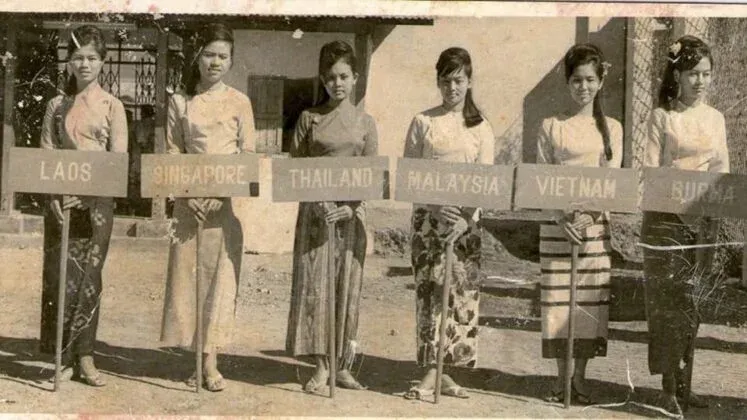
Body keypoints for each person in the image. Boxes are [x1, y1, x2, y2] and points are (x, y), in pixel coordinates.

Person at [160, 23, 255, 392]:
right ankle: (193, 359)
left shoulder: (240, 102)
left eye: (223, 56)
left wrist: (221, 194)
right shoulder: (180, 102)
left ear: (231, 61)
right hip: (189, 206)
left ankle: (210, 361)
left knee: (219, 281)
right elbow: (173, 152)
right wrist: (187, 196)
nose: (215, 62)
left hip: (223, 207)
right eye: (209, 54)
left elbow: (247, 155)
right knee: (189, 282)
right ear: (197, 57)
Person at [285, 40, 378, 393]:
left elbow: (372, 175)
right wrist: (318, 201)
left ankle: (342, 366)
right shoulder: (309, 119)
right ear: (322, 80)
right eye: (330, 77)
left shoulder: (366, 123)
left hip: (350, 219)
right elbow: (295, 170)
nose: (337, 83)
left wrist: (352, 207)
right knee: (315, 289)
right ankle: (321, 366)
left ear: (355, 78)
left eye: (343, 76)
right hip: (316, 216)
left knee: (345, 290)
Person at [641, 35, 727, 416]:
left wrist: (710, 214)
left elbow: (721, 170)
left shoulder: (715, 119)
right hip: (665, 221)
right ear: (677, 75)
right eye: (693, 73)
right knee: (668, 304)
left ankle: (685, 384)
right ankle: (667, 389)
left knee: (694, 303)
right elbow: (651, 170)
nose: (700, 81)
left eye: (706, 73)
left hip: (703, 223)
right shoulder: (662, 116)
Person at [402, 47, 495, 400]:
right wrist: (436, 208)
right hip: (429, 222)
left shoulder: (481, 127)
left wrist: (466, 219)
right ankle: (431, 371)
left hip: (465, 226)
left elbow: (486, 181)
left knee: (459, 297)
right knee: (430, 295)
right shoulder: (423, 121)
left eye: (458, 80)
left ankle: (445, 373)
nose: (452, 88)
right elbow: (410, 176)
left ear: (469, 81)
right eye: (445, 80)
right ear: (437, 81)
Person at [39, 24, 128, 387]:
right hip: (61, 204)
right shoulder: (56, 105)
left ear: (103, 61)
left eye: (91, 57)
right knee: (62, 277)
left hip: (96, 206)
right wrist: (55, 196)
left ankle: (86, 355)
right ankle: (62, 357)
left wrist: (88, 195)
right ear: (69, 62)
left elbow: (117, 161)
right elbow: (46, 156)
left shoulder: (113, 106)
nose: (85, 64)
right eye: (78, 58)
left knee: (89, 277)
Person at [535, 43, 622, 405]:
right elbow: (541, 179)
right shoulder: (551, 126)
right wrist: (561, 217)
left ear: (600, 81)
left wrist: (589, 216)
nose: (583, 87)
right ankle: (560, 379)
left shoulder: (612, 128)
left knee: (587, 304)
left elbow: (612, 179)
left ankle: (581, 378)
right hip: (559, 228)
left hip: (594, 229)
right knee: (558, 302)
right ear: (567, 82)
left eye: (589, 79)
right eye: (576, 80)